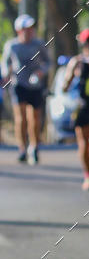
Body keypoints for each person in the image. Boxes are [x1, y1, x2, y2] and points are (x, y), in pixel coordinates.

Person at [1, 14, 49, 164]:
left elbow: (48, 62)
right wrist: (6, 74)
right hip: (19, 85)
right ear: (18, 30)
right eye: (25, 28)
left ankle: (34, 147)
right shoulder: (12, 45)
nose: (29, 31)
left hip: (35, 85)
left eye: (31, 28)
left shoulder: (39, 44)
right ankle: (22, 148)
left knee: (34, 118)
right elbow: (5, 63)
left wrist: (42, 72)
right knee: (20, 118)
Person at [63, 29, 89, 190]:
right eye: (87, 43)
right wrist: (71, 75)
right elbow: (65, 86)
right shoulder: (77, 62)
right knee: (84, 143)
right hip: (84, 106)